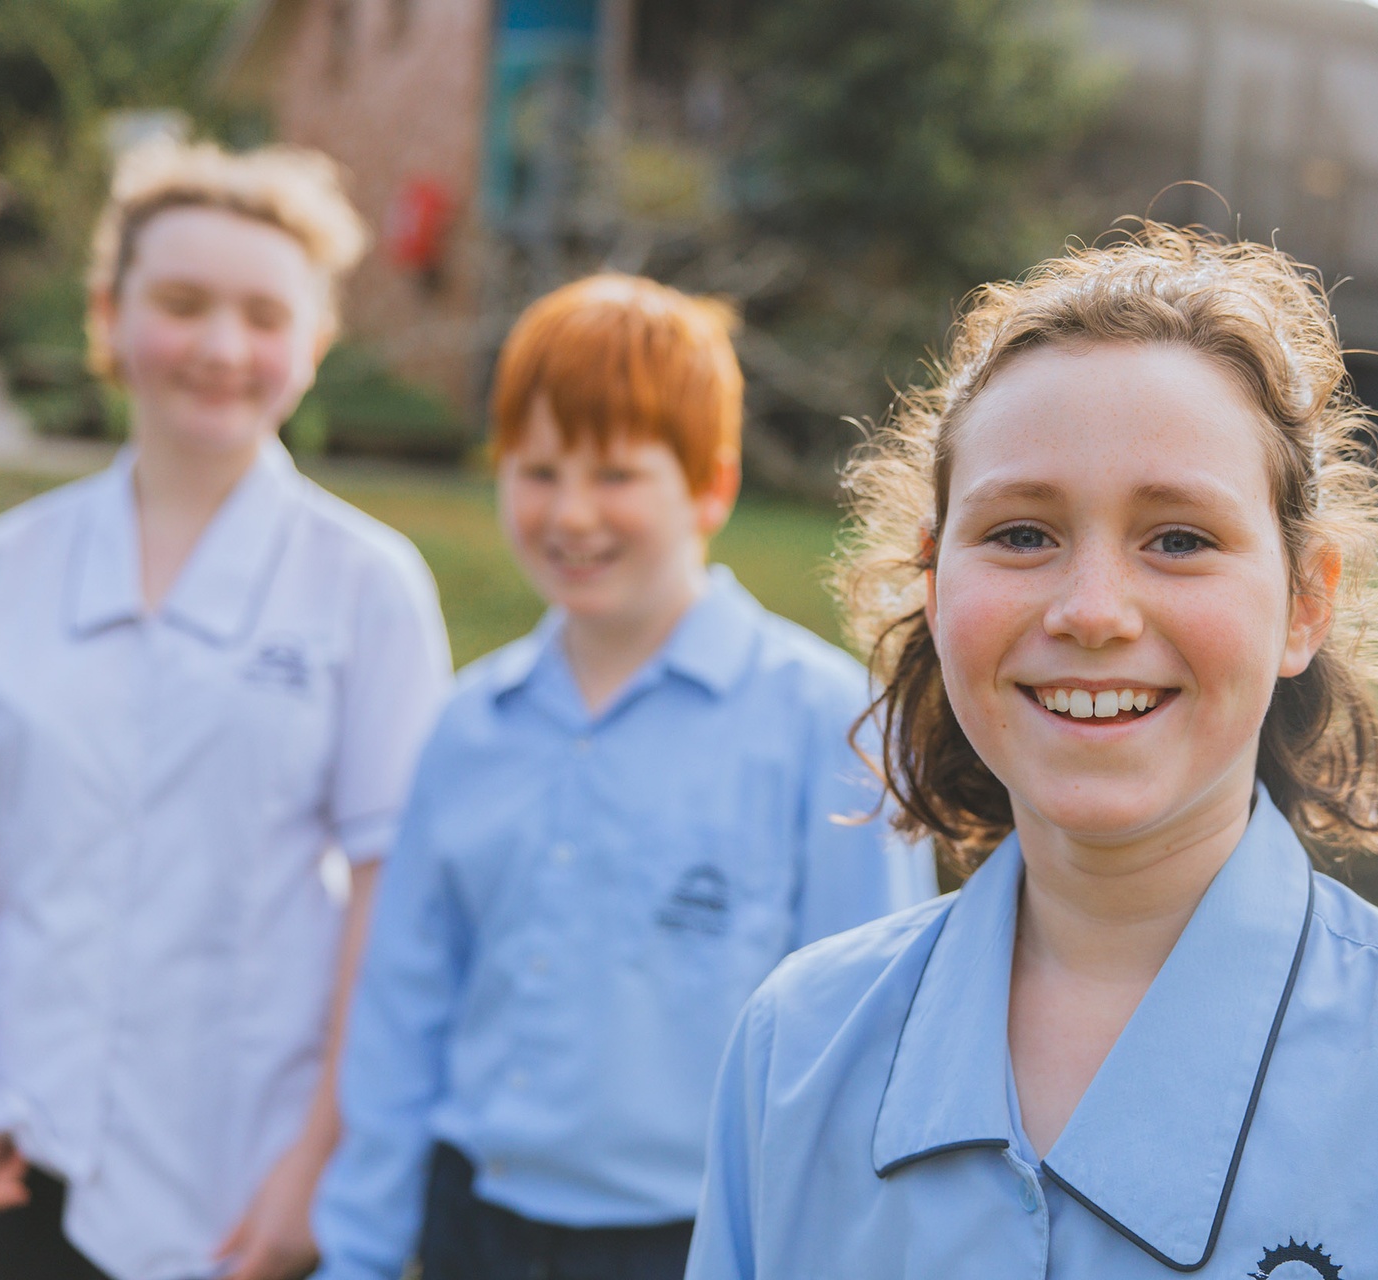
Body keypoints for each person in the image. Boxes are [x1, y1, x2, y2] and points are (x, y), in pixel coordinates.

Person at [684, 225, 1378, 1280]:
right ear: (935, 581)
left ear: (1306, 602)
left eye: (1178, 538)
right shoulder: (792, 1049)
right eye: (1022, 533)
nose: (1092, 611)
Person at [312, 273, 934, 1280]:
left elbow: (865, 1045)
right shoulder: (468, 728)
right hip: (476, 1223)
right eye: (538, 468)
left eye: (614, 474)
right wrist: (359, 1251)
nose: (570, 512)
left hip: (699, 1240)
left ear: (710, 487)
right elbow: (401, 1011)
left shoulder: (826, 723)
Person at [0, 140, 452, 1280]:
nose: (223, 348)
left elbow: (394, 904)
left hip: (239, 1186)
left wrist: (320, 1159)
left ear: (314, 341)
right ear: (107, 316)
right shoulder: (0, 569)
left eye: (264, 314)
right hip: (10, 1149)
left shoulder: (367, 587)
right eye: (181, 303)